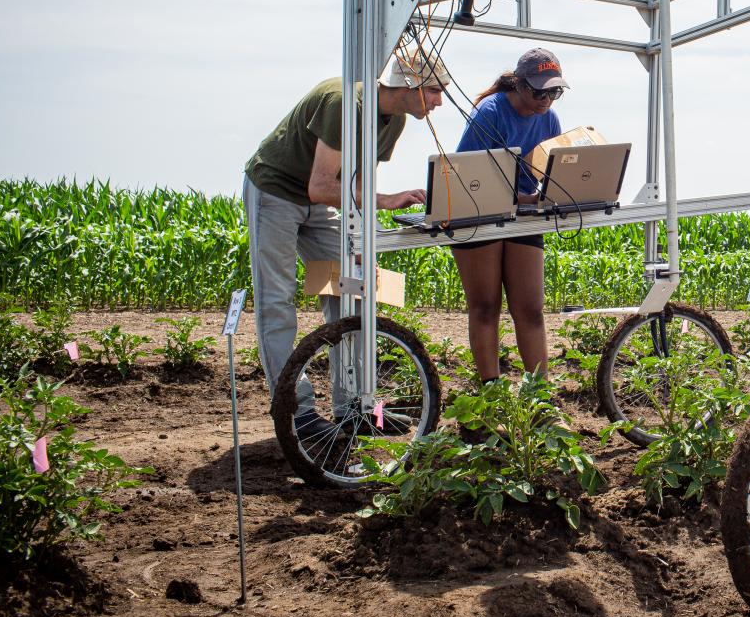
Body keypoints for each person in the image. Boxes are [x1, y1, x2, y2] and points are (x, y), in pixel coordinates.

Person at [242, 52, 450, 434]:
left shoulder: (395, 120)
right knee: (277, 300)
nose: (439, 101)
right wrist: (386, 199)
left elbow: (355, 186)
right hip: (275, 192)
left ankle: (355, 407)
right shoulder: (343, 104)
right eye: (435, 90)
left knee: (351, 289)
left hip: (319, 203)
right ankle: (296, 414)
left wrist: (360, 245)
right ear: (408, 84)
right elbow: (321, 185)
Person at [450, 48, 567, 383]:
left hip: (523, 214)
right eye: (539, 91)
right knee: (486, 307)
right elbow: (471, 181)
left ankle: (539, 399)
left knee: (530, 309)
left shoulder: (550, 120)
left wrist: (552, 194)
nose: (547, 99)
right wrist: (527, 197)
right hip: (477, 215)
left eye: (554, 91)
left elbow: (545, 172)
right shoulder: (490, 112)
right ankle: (492, 395)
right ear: (518, 85)